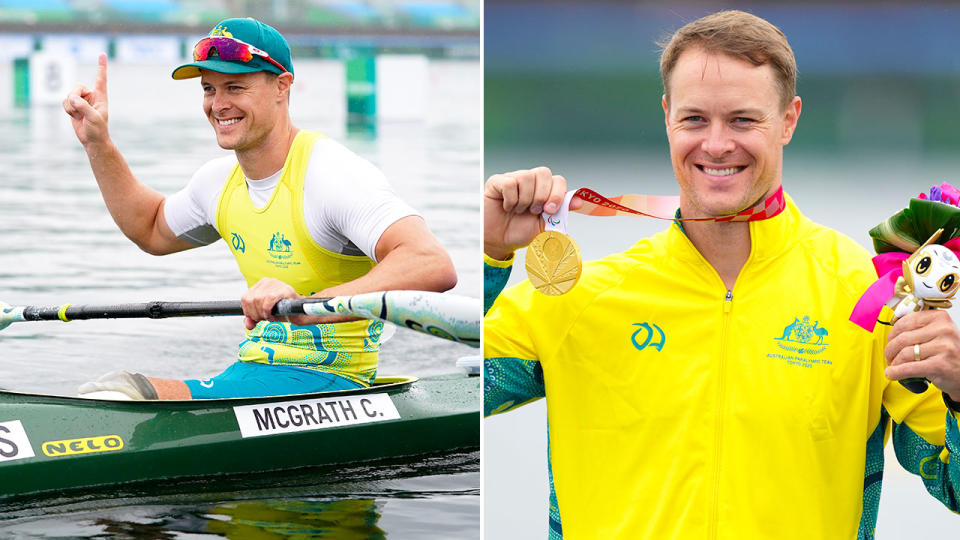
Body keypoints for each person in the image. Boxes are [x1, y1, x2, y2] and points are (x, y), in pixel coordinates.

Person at [483, 10, 960, 539]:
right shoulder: (582, 296)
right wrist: (488, 255)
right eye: (694, 119)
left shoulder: (868, 295)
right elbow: (459, 397)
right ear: (666, 115)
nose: (715, 144)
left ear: (788, 119)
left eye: (742, 120)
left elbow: (953, 486)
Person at [63, 18, 456, 400]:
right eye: (208, 89)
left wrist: (314, 306)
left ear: (282, 86)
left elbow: (430, 262)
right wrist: (98, 143)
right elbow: (149, 229)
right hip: (253, 370)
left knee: (125, 392)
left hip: (335, 381)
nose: (218, 105)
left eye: (234, 87)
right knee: (107, 392)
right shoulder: (216, 182)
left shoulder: (331, 173)